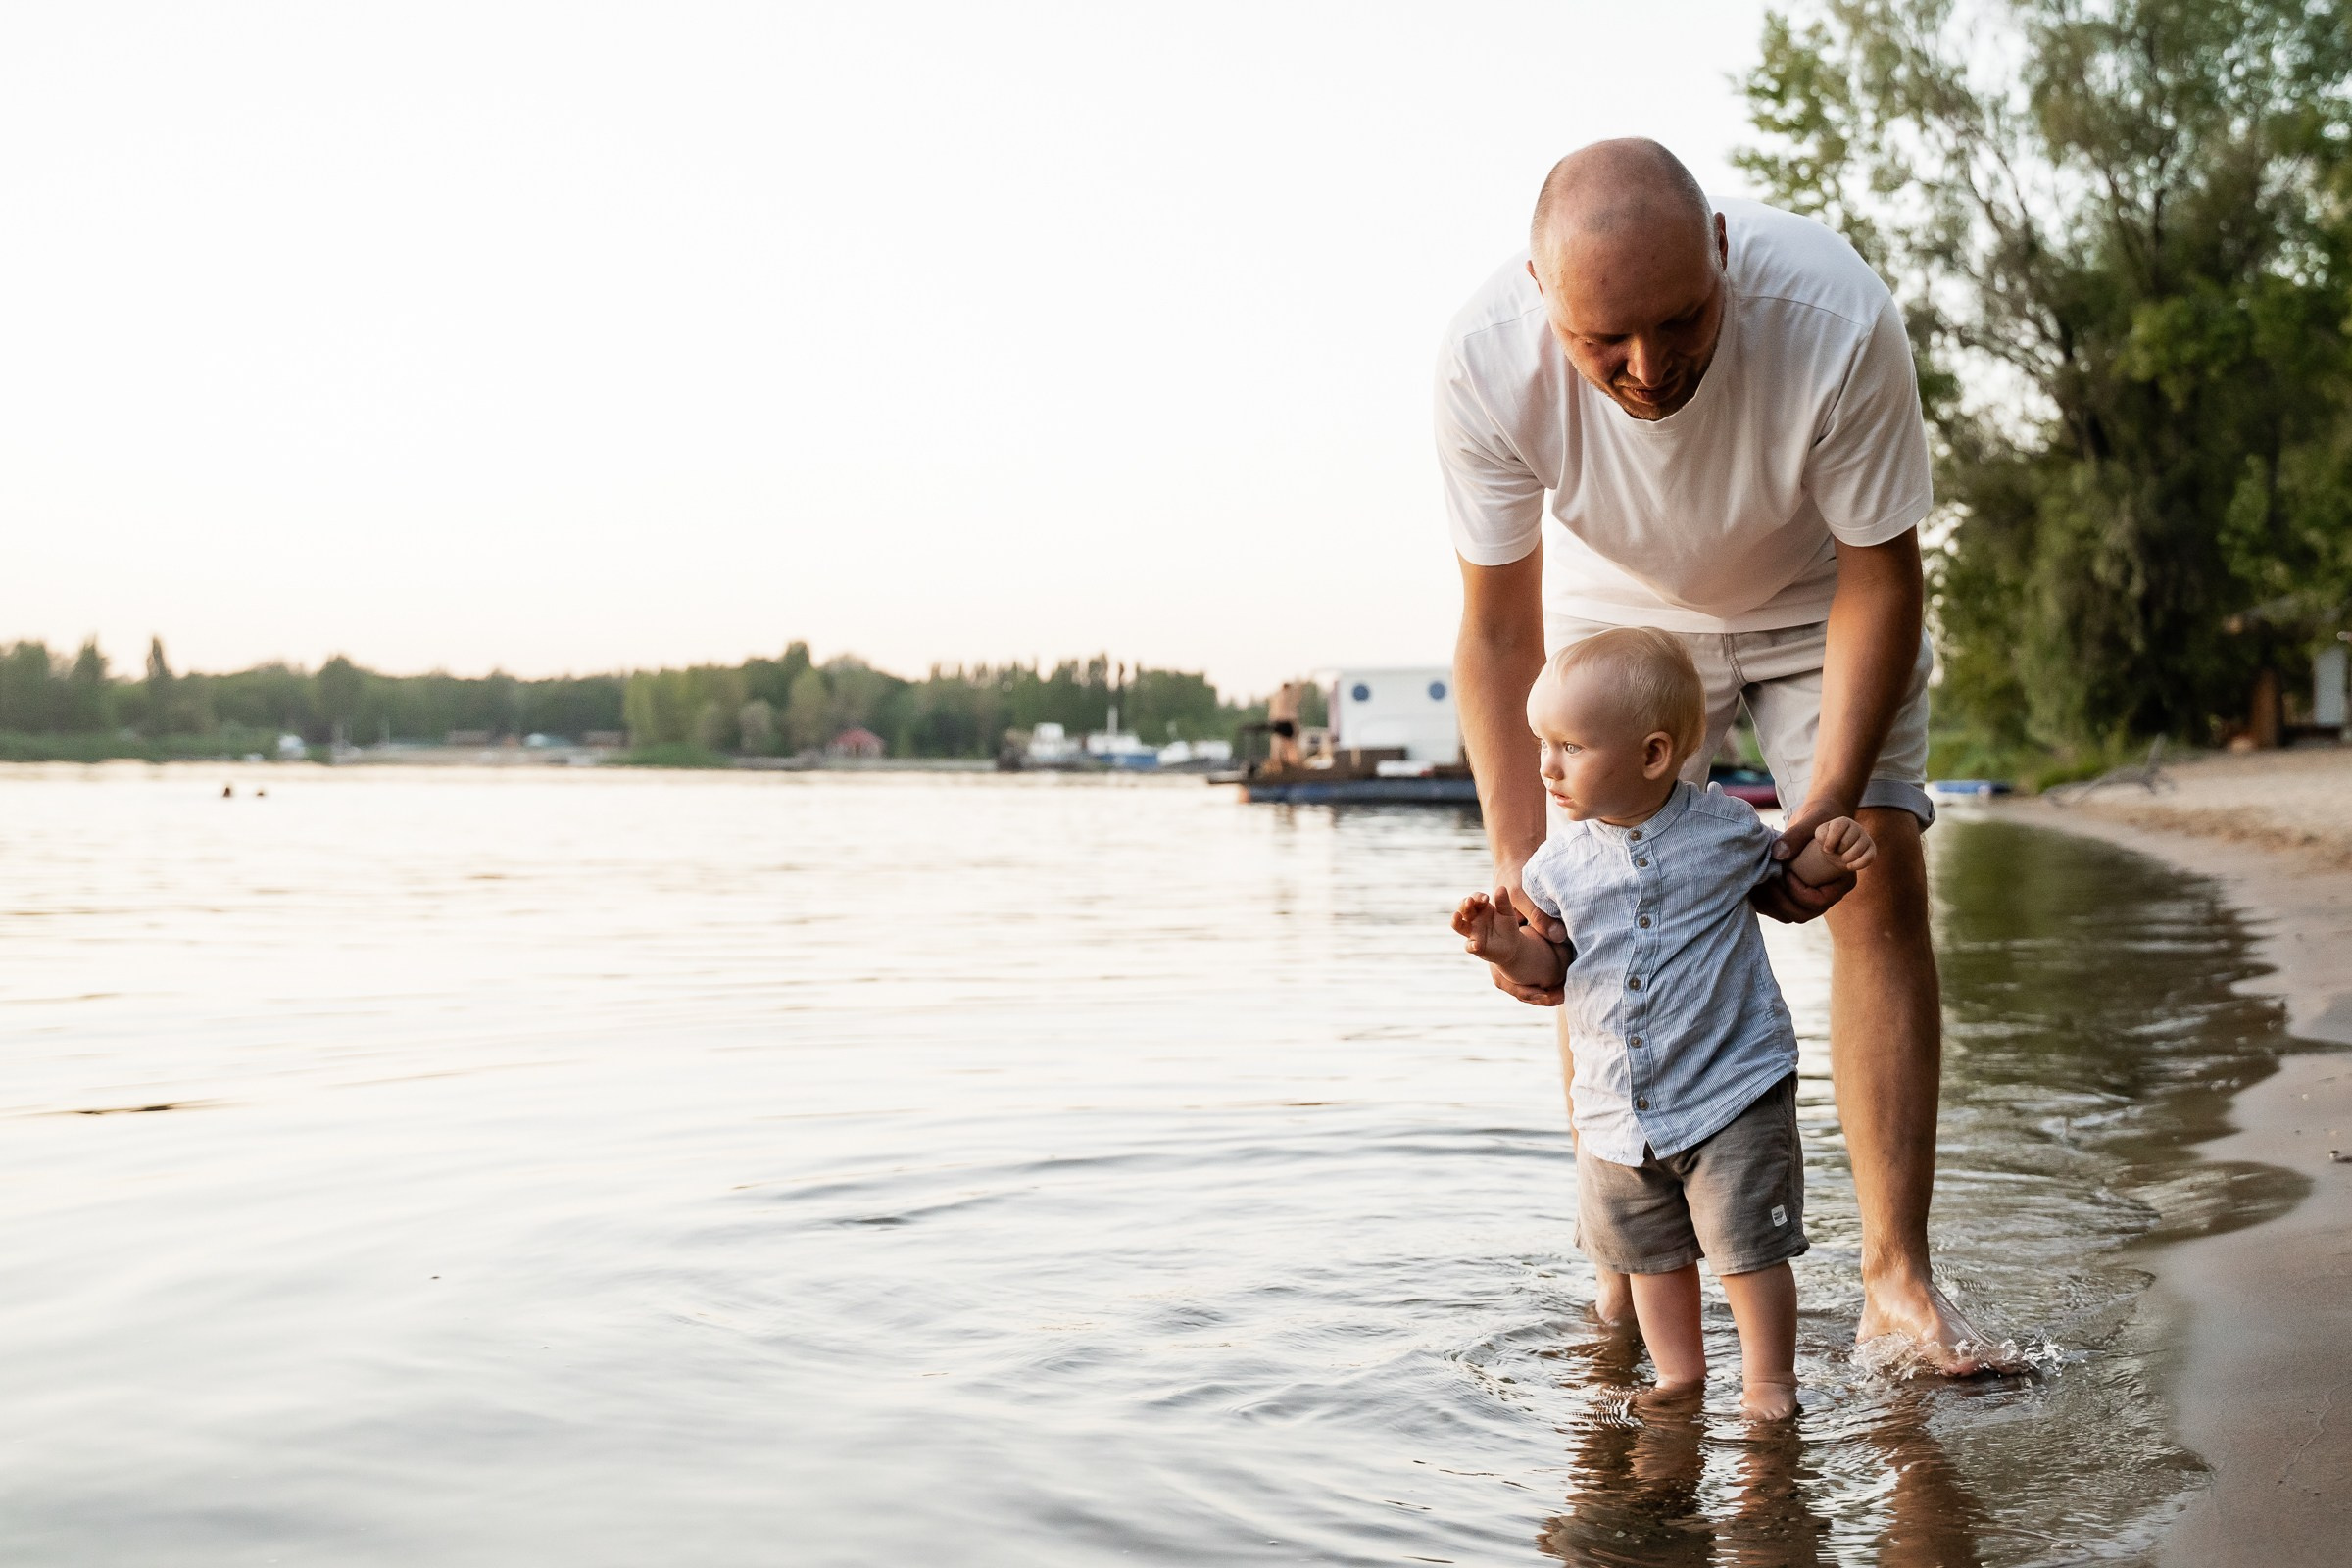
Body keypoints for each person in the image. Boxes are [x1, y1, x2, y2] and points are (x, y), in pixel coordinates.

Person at [1438, 136, 2015, 1373]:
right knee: (1589, 898)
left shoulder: (1833, 314)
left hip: (1820, 593)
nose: (1650, 368)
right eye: (1608, 344)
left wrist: (1826, 806)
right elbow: (1496, 629)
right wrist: (1521, 865)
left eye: (1682, 320)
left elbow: (1884, 574)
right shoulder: (1485, 363)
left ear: (1722, 253)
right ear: (1546, 305)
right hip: (1622, 617)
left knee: (1879, 876)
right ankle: (1626, 1268)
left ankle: (1896, 1283)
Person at [1452, 630, 1875, 1418]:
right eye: (1541, 743)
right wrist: (1501, 945)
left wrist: (1836, 853)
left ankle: (1768, 1380)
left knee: (1750, 1250)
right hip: (1616, 1109)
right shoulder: (1555, 866)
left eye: (1570, 747)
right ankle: (1680, 1376)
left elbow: (1787, 886)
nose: (1546, 767)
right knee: (1650, 1259)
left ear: (1652, 755)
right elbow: (1551, 971)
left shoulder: (1724, 832)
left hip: (1731, 1086)